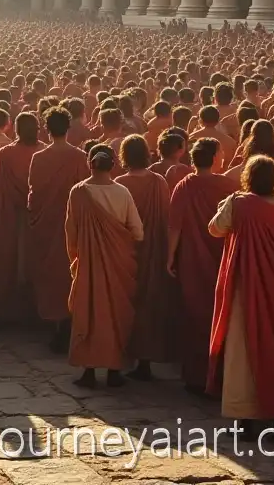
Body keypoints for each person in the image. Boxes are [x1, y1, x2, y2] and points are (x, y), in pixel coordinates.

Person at [208, 155, 274, 438]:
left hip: (244, 285)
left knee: (241, 352)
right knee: (273, 346)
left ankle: (244, 419)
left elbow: (214, 228)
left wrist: (229, 203)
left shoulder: (239, 203)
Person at [66, 143, 142, 389]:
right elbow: (138, 232)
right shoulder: (123, 193)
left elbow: (71, 233)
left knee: (89, 311)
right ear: (113, 164)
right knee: (115, 313)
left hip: (88, 264)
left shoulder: (78, 192)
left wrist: (75, 260)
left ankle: (89, 369)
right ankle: (113, 369)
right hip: (120, 265)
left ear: (89, 163)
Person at [168, 139, 234, 394]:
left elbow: (174, 225)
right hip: (220, 260)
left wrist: (170, 257)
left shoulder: (185, 186)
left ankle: (196, 377)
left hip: (191, 261)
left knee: (194, 317)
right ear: (215, 158)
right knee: (219, 315)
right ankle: (218, 376)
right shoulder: (228, 185)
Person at [27, 106, 90, 353]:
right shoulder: (78, 157)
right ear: (68, 128)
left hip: (47, 222)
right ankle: (67, 322)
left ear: (46, 129)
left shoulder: (39, 158)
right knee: (68, 271)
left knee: (49, 272)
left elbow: (33, 193)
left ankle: (54, 323)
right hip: (71, 223)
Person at [116, 134, 173, 381]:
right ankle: (145, 361)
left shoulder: (119, 183)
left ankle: (118, 356)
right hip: (153, 250)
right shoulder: (158, 182)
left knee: (124, 302)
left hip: (125, 252)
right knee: (149, 304)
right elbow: (167, 218)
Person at [0, 111, 42, 322]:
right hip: (35, 218)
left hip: (9, 218)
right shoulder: (43, 153)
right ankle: (34, 311)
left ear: (16, 129)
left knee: (5, 262)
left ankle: (1, 311)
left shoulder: (6, 154)